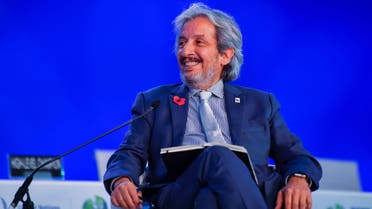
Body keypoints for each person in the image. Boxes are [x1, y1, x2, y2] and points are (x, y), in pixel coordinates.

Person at [103, 2, 322, 209]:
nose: (185, 51)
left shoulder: (260, 103)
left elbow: (297, 156)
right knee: (217, 154)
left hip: (238, 195)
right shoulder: (154, 102)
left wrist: (298, 179)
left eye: (198, 42)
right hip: (178, 196)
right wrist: (121, 180)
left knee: (208, 198)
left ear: (225, 55)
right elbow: (129, 153)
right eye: (181, 42)